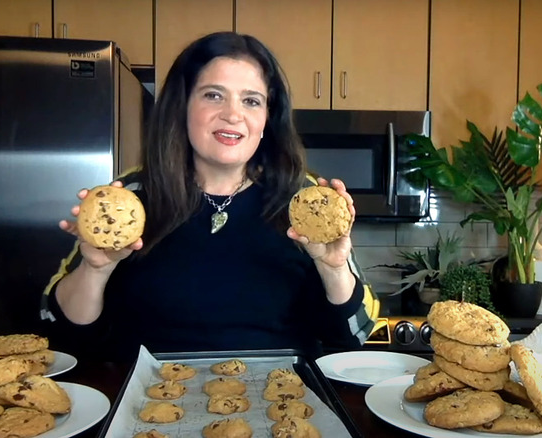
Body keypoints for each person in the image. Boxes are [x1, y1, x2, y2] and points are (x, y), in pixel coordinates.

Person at [39, 31, 378, 361]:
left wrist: (332, 268)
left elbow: (354, 336)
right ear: (182, 106)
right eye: (213, 95)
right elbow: (63, 337)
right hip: (150, 403)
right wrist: (95, 271)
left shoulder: (305, 198)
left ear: (266, 119)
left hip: (282, 403)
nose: (233, 114)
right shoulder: (130, 197)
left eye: (251, 100)